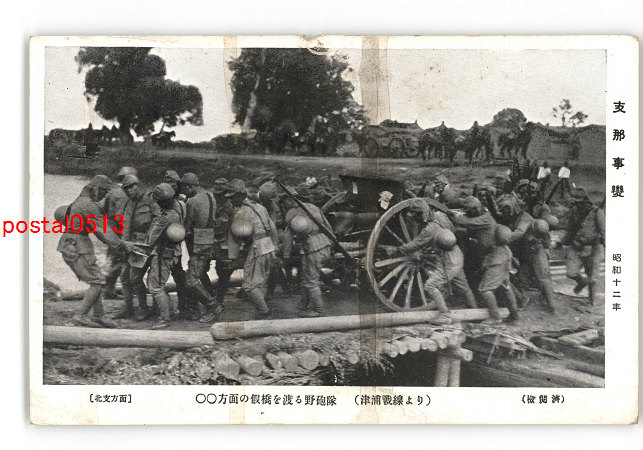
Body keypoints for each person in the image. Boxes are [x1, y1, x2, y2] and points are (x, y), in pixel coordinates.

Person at [58, 175, 132, 328]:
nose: (103, 197)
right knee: (97, 282)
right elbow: (102, 229)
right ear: (96, 189)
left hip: (74, 244)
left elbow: (98, 229)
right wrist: (121, 244)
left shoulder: (81, 201)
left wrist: (116, 243)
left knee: (96, 280)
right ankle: (79, 316)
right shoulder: (88, 204)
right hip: (78, 246)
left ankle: (98, 316)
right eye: (103, 192)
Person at [388, 207, 476, 325]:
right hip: (456, 254)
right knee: (464, 286)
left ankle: (445, 315)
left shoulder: (429, 230)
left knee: (430, 286)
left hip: (448, 260)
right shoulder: (440, 215)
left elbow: (416, 244)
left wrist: (398, 249)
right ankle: (476, 312)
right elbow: (452, 229)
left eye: (415, 217)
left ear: (421, 215)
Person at [227, 179, 280, 316]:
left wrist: (232, 258)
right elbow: (272, 229)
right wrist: (275, 246)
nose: (230, 200)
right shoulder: (259, 207)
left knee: (248, 286)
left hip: (257, 249)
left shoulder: (241, 213)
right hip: (268, 246)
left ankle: (265, 312)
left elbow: (235, 238)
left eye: (232, 197)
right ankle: (262, 310)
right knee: (260, 283)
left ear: (240, 196)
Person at [497, 194, 556, 313]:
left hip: (535, 250)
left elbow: (519, 232)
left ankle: (551, 305)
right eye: (503, 209)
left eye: (506, 208)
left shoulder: (525, 217)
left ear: (514, 207)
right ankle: (522, 299)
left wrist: (503, 240)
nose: (504, 211)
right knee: (520, 277)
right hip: (521, 251)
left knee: (543, 277)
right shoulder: (509, 218)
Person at [281, 186, 334, 317]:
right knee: (306, 277)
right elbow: (327, 227)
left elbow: (287, 237)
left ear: (294, 198)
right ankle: (304, 304)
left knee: (311, 281)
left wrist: (286, 255)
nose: (286, 202)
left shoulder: (292, 212)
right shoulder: (314, 208)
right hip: (323, 243)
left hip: (311, 248)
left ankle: (319, 310)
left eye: (287, 199)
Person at [116, 175, 160, 320]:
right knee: (124, 277)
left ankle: (144, 308)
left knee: (135, 277)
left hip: (145, 245)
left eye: (131, 187)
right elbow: (126, 226)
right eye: (126, 188)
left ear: (138, 185)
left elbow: (158, 220)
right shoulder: (128, 203)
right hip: (131, 245)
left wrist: (150, 238)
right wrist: (124, 244)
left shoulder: (150, 199)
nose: (129, 190)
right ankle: (128, 309)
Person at [181, 172, 223, 323]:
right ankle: (208, 303)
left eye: (185, 188)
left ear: (190, 186)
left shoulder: (192, 201)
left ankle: (213, 306)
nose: (184, 192)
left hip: (198, 243)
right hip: (210, 240)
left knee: (191, 280)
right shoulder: (210, 197)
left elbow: (186, 227)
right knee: (200, 274)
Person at [145, 183, 184, 329]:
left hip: (163, 254)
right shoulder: (178, 210)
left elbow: (151, 238)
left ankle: (165, 318)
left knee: (155, 286)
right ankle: (172, 310)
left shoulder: (165, 218)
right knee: (157, 283)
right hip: (172, 252)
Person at [561, 187, 605, 305]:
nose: (578, 203)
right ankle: (581, 282)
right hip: (576, 246)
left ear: (586, 199)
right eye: (576, 201)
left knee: (592, 278)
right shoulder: (573, 211)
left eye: (580, 201)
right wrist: (564, 241)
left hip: (593, 247)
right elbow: (569, 229)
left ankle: (592, 300)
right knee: (571, 272)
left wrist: (605, 244)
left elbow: (603, 231)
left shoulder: (597, 212)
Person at [99, 166, 137, 299]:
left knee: (115, 259)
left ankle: (110, 289)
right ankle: (112, 290)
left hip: (112, 231)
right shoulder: (128, 193)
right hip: (122, 231)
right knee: (122, 261)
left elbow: (103, 210)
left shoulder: (112, 192)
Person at [211, 178, 235, 306]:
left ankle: (218, 298)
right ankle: (215, 294)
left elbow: (228, 226)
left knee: (224, 270)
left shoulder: (228, 206)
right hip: (216, 241)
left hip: (225, 242)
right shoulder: (215, 203)